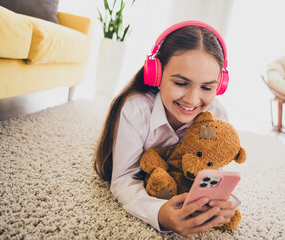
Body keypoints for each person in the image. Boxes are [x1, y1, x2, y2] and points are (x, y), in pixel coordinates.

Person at [93, 21, 239, 238]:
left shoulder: (217, 116)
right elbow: (123, 178)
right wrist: (158, 213)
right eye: (181, 83)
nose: (192, 99)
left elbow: (217, 172)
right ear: (156, 75)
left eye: (207, 87)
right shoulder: (136, 109)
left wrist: (226, 203)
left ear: (220, 85)